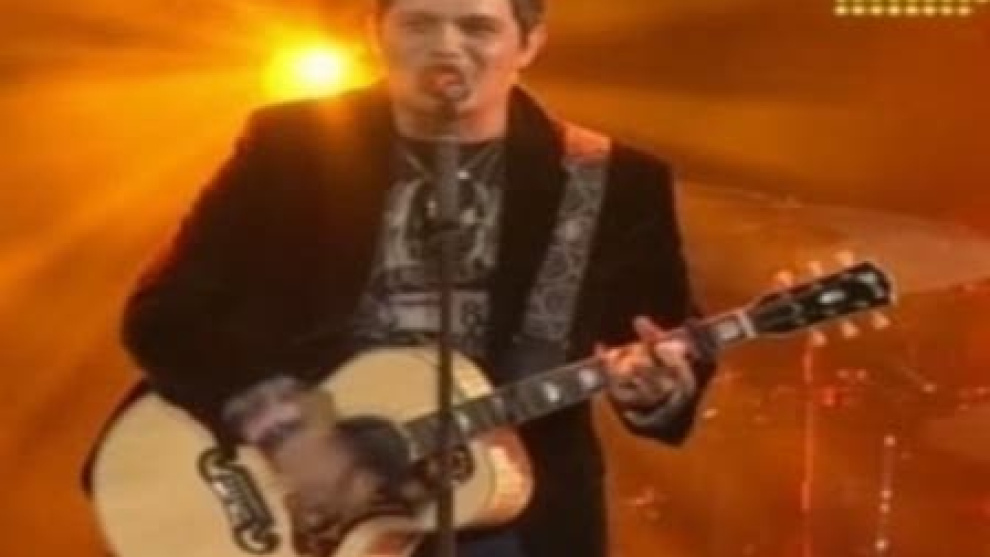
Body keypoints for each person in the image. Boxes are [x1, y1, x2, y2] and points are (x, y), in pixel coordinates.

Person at [116, 0, 716, 556]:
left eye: (477, 27)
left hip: (513, 517)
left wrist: (660, 392)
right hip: (302, 511)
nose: (446, 45)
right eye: (419, 23)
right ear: (376, 33)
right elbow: (164, 315)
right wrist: (283, 428)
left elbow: (657, 336)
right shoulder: (292, 146)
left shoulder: (615, 181)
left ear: (529, 42)